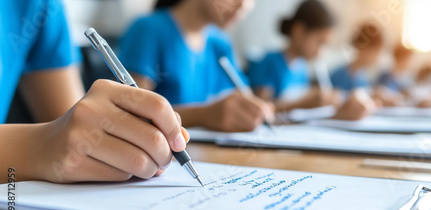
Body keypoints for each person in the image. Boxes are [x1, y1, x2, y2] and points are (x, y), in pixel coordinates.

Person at [0, 0, 188, 184]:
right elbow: (60, 144)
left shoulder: (42, 7)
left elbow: (76, 138)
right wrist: (41, 147)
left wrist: (124, 139)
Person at [120, 0, 274, 132]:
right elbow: (132, 116)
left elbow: (243, 100)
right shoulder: (148, 29)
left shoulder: (220, 43)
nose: (245, 5)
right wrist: (205, 115)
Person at [247, 0, 374, 120]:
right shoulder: (268, 63)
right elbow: (260, 111)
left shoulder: (301, 69)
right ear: (299, 31)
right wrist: (306, 103)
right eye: (319, 42)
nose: (320, 52)